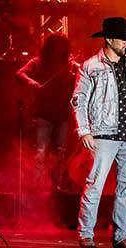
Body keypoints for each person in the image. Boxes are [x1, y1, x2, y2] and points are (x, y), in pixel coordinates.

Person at [73, 17, 126, 248]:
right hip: (103, 134)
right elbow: (79, 100)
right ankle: (86, 234)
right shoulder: (91, 66)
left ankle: (122, 235)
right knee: (95, 184)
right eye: (122, 38)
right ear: (109, 39)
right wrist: (83, 130)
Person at [16, 33, 79, 189]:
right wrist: (31, 82)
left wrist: (80, 68)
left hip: (62, 114)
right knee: (41, 151)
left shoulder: (70, 65)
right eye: (56, 46)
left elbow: (84, 71)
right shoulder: (38, 62)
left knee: (60, 152)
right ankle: (36, 185)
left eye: (62, 46)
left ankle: (55, 186)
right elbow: (20, 73)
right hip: (42, 113)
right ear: (50, 47)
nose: (59, 50)